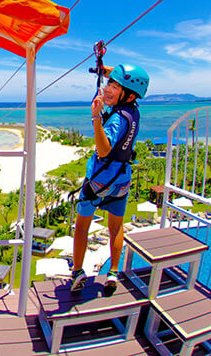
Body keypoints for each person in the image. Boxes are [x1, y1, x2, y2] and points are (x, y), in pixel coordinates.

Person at [71, 63, 149, 294]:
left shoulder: (116, 119)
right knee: (115, 227)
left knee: (82, 227)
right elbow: (127, 79)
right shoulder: (132, 111)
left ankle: (78, 271)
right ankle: (113, 272)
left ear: (129, 95)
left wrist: (96, 117)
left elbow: (104, 150)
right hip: (121, 179)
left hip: (99, 180)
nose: (107, 89)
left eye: (115, 87)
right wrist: (102, 69)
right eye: (109, 84)